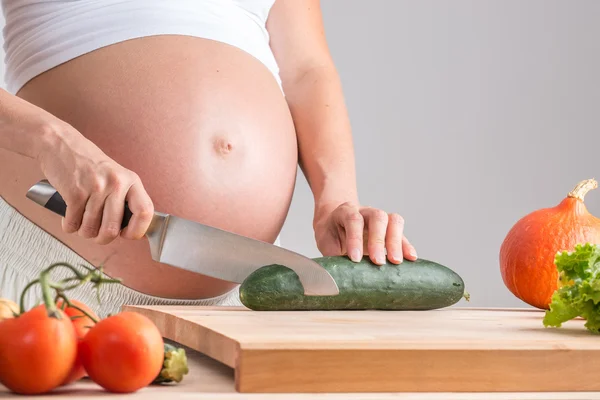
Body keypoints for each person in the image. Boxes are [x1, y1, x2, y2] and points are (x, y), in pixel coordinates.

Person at [0, 0, 417, 317]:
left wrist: (336, 197)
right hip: (52, 282)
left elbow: (307, 70)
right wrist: (53, 142)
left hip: (232, 307)